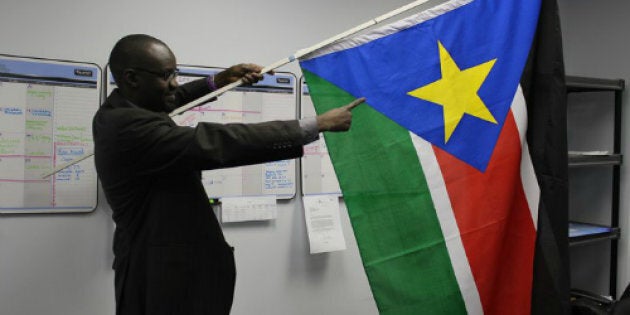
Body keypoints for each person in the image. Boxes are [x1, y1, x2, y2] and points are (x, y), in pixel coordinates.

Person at [93, 34, 364, 315]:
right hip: (162, 278)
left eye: (175, 72)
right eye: (165, 75)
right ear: (132, 78)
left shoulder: (122, 106)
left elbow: (173, 98)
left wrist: (219, 80)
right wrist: (313, 125)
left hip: (166, 266)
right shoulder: (128, 127)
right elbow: (220, 141)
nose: (174, 83)